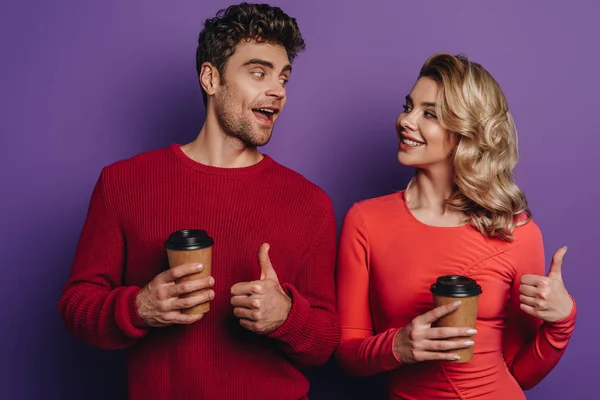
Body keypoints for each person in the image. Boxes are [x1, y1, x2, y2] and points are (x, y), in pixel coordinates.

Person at [58, 3, 340, 400]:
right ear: (211, 78)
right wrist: (138, 308)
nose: (278, 91)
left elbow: (326, 340)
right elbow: (76, 307)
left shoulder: (310, 202)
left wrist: (287, 317)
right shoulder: (123, 182)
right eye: (259, 72)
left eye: (284, 78)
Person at [334, 53, 576, 399]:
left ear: (465, 132)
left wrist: (562, 320)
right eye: (409, 106)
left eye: (429, 114)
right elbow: (348, 354)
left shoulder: (516, 232)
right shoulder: (365, 220)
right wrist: (398, 346)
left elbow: (521, 373)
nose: (405, 120)